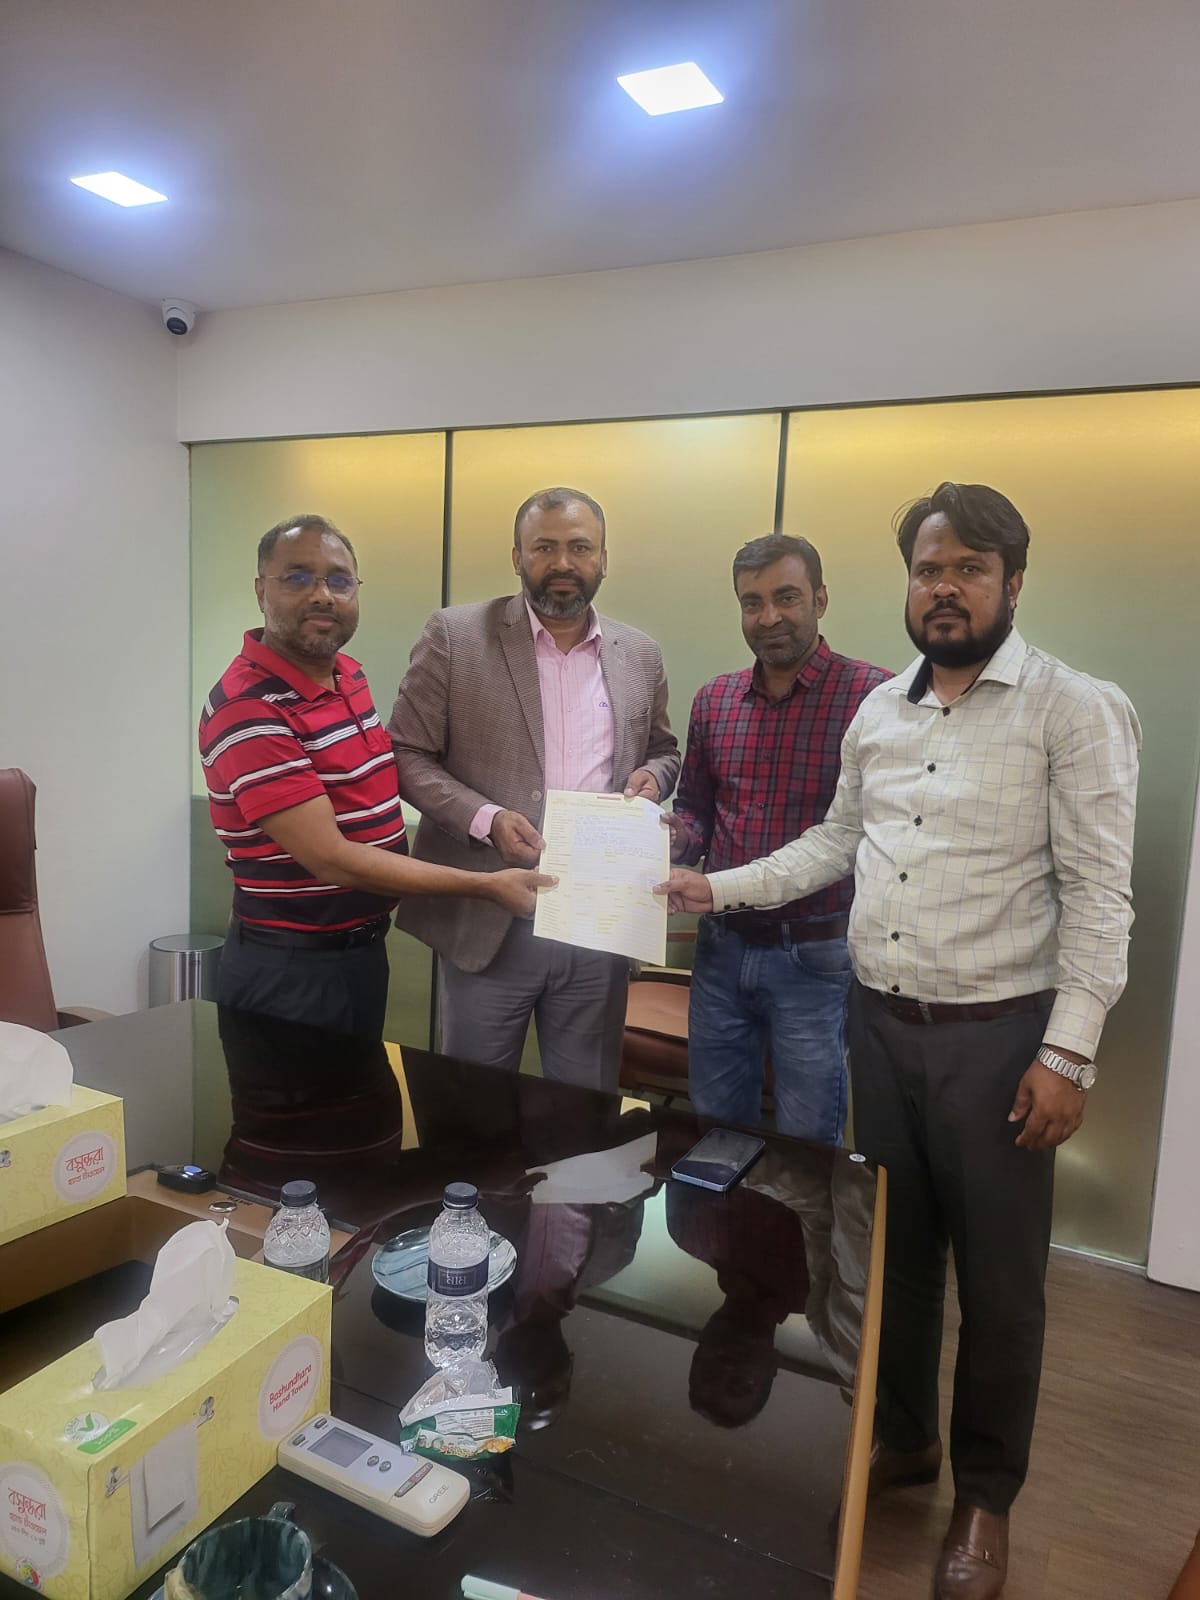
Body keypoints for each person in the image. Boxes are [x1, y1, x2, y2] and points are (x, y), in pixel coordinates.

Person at [658, 482, 1140, 1599]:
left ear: (1013, 582)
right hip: (876, 1024)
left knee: (1003, 1284)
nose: (946, 588)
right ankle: (908, 1436)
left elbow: (1101, 896)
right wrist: (715, 886)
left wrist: (1068, 1053)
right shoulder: (881, 711)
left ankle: (986, 1496)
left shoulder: (1074, 708)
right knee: (897, 1256)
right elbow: (833, 843)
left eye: (970, 568)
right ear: (908, 585)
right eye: (930, 570)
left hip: (999, 1040)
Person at [199, 515, 550, 1037]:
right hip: (289, 969)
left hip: (357, 954)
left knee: (359, 1092)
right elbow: (332, 858)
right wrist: (487, 886)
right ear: (260, 590)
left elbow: (391, 773)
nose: (322, 595)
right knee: (290, 1094)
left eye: (339, 580)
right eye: (298, 578)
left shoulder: (347, 675)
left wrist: (490, 817)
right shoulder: (249, 708)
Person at [388, 486, 680, 1091]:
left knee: (583, 1108)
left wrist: (655, 777)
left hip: (597, 926)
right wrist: (487, 818)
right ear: (517, 557)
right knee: (474, 1105)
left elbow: (663, 750)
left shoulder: (641, 654)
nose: (563, 562)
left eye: (580, 547)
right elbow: (406, 753)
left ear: (604, 559)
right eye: (544, 547)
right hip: (489, 916)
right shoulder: (455, 636)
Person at [665, 534, 888, 1143]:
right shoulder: (715, 701)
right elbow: (696, 811)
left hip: (817, 955)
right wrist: (673, 838)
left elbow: (872, 833)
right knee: (715, 1129)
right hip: (721, 948)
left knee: (808, 1141)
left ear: (820, 599)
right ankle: (723, 1212)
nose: (768, 617)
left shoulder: (875, 699)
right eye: (752, 602)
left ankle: (796, 1214)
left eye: (786, 597)